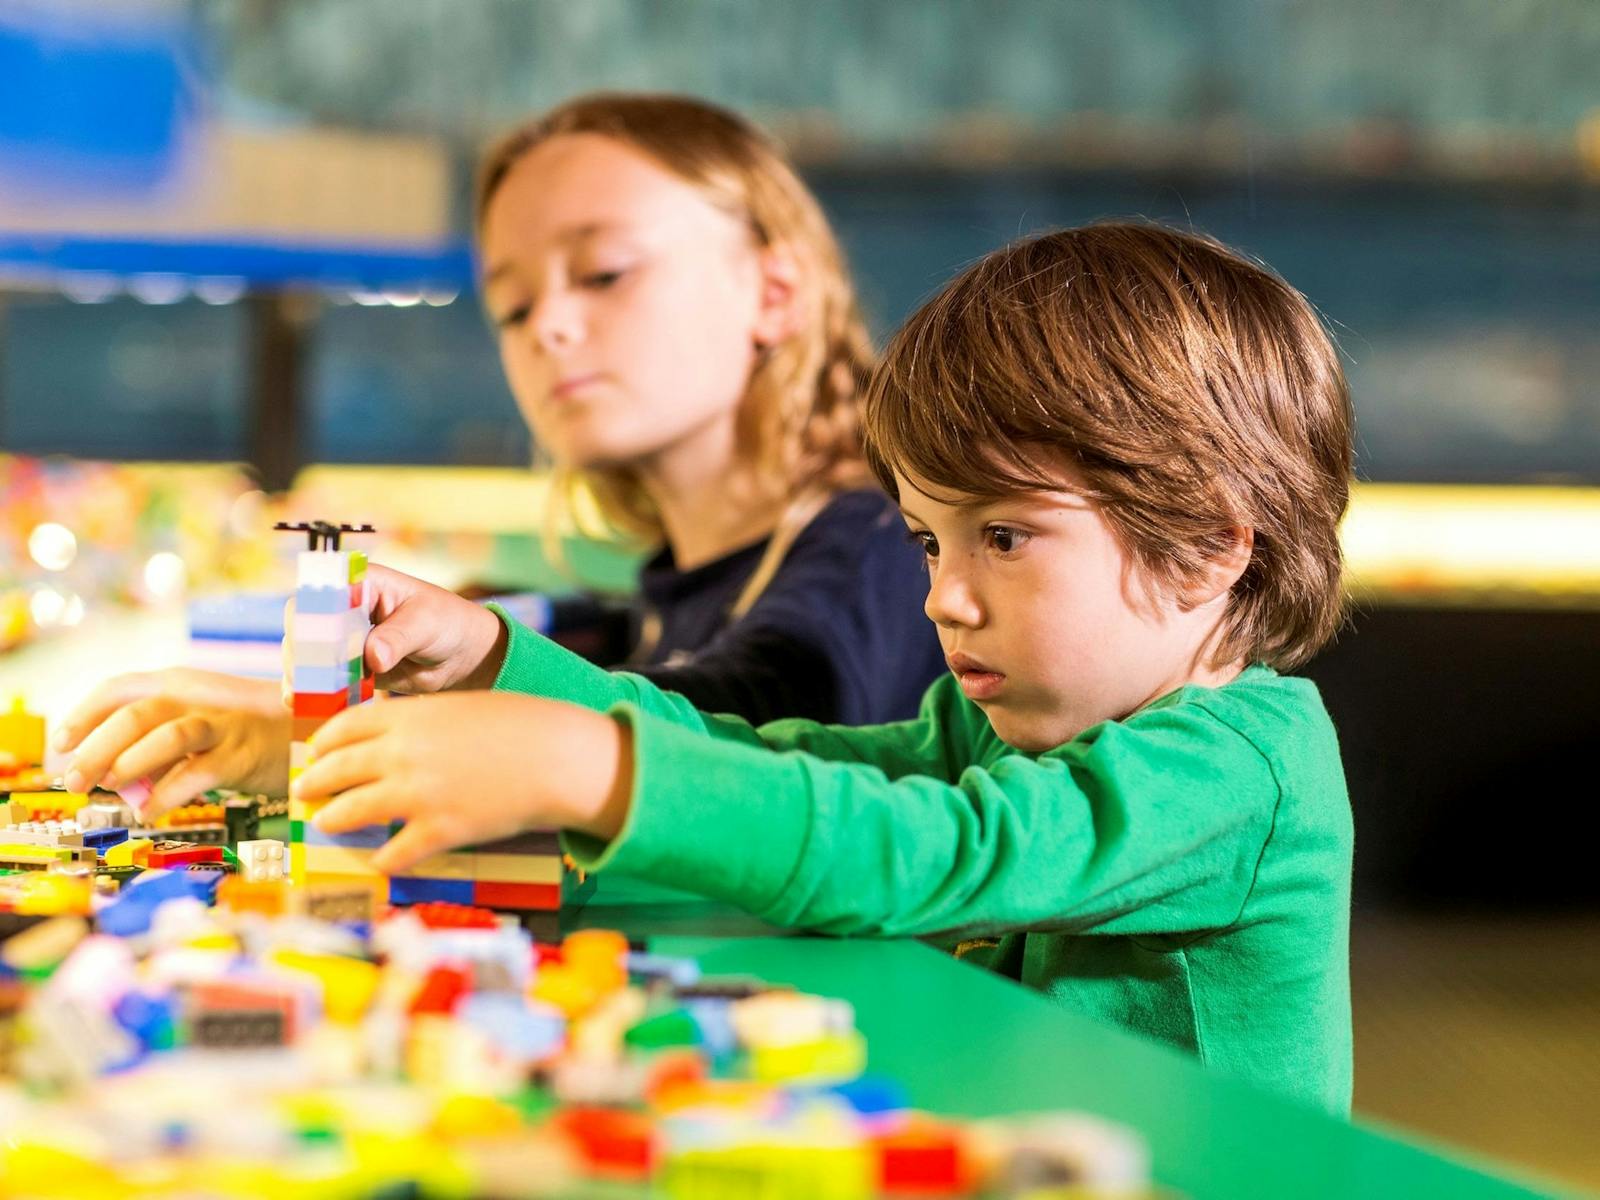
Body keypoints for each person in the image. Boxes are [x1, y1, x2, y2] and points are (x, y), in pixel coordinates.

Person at [295, 223, 1358, 1111]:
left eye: (1005, 537)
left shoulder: (1239, 772)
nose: (944, 595)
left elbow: (942, 850)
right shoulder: (993, 726)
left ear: (1213, 546)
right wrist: (494, 665)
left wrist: (598, 772)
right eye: (930, 541)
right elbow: (772, 761)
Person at [55, 94, 944, 808]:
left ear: (775, 292)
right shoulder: (690, 574)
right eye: (513, 308)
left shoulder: (878, 544)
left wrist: (313, 732)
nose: (549, 327)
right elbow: (639, 666)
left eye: (603, 274)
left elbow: (749, 744)